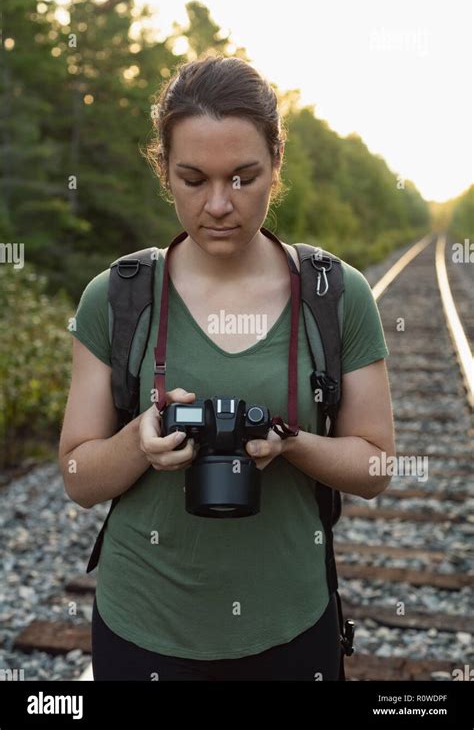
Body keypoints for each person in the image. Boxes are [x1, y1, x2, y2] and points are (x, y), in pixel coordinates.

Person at [58, 55, 395, 681]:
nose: (219, 204)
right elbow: (79, 477)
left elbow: (375, 466)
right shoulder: (117, 298)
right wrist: (140, 440)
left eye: (244, 178)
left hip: (291, 622)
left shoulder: (337, 295)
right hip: (143, 626)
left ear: (276, 165)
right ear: (164, 171)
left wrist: (290, 443)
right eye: (193, 179)